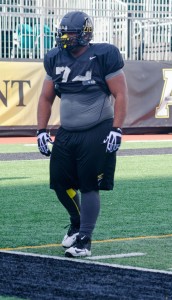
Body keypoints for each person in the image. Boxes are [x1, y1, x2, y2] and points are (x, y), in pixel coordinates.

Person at [37, 11, 128, 258]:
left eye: (70, 33)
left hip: (97, 127)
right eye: (62, 32)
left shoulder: (103, 54)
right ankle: (76, 222)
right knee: (59, 182)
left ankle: (85, 240)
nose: (64, 37)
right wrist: (41, 130)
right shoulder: (55, 57)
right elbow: (46, 97)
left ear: (85, 34)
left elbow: (120, 94)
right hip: (67, 131)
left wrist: (117, 128)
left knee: (88, 184)